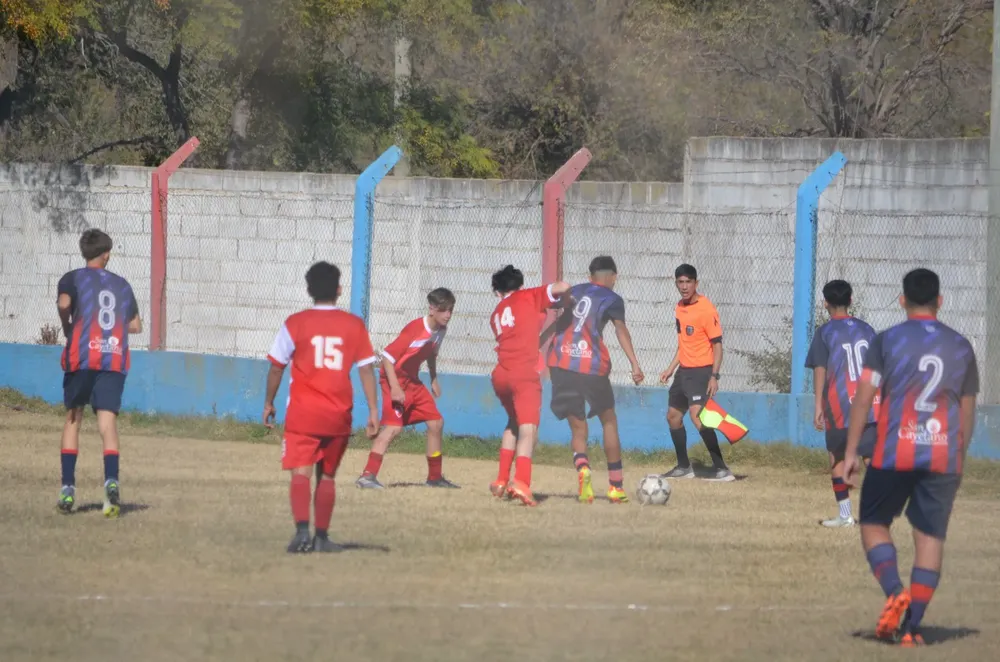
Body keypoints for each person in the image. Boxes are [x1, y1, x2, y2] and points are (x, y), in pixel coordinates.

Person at [844, 268, 978, 646]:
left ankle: (893, 590)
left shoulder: (887, 341)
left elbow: (865, 396)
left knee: (872, 521)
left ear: (902, 300)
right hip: (943, 456)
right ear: (940, 301)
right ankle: (912, 628)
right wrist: (959, 458)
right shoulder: (961, 346)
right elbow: (966, 410)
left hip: (893, 451)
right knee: (930, 536)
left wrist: (852, 451)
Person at [263, 261, 379, 554]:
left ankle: (302, 533)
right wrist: (374, 411)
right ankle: (322, 538)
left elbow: (276, 367)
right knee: (327, 476)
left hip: (303, 413)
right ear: (339, 290)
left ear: (309, 289)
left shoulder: (295, 323)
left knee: (300, 473)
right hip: (338, 414)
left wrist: (268, 402)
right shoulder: (354, 325)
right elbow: (366, 369)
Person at [541, 256, 644, 504]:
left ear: (590, 276)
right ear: (613, 277)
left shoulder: (574, 290)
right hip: (592, 366)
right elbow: (621, 330)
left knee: (578, 427)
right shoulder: (613, 299)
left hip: (561, 363)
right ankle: (615, 487)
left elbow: (557, 324)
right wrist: (634, 363)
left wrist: (537, 346)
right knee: (608, 421)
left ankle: (583, 468)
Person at [56, 229, 142, 518]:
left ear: (84, 253)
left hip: (81, 357)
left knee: (73, 419)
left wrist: (70, 327)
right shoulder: (122, 284)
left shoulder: (72, 278)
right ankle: (111, 484)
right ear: (106, 254)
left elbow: (64, 304)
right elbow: (136, 325)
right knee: (107, 425)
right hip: (112, 358)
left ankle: (68, 490)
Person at [357, 288, 458, 489]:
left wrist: (433, 379)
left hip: (412, 382)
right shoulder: (414, 329)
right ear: (431, 309)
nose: (448, 315)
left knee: (436, 423)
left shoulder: (441, 331)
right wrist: (394, 388)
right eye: (444, 310)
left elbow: (431, 354)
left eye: (451, 310)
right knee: (394, 428)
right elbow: (386, 358)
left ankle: (435, 478)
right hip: (393, 380)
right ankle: (367, 476)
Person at [488, 265, 570, 506]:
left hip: (501, 374)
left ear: (498, 292)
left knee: (513, 423)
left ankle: (502, 480)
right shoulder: (529, 296)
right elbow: (562, 287)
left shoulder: (496, 313)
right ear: (520, 285)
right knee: (529, 429)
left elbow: (521, 321)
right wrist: (565, 301)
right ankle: (521, 482)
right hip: (524, 373)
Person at [804, 279, 879, 527]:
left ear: (825, 303)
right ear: (851, 300)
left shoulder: (825, 333)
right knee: (871, 458)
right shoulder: (867, 329)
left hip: (840, 406)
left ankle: (845, 515)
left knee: (836, 457)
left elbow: (820, 369)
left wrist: (818, 406)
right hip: (870, 403)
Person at [659, 264, 733, 481]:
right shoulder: (679, 308)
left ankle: (721, 468)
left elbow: (718, 345)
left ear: (696, 283)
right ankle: (684, 467)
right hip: (684, 371)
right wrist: (671, 369)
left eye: (688, 282)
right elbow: (684, 343)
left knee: (697, 417)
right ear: (676, 284)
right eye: (680, 282)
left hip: (702, 371)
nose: (684, 287)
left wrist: (714, 376)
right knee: (673, 417)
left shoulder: (707, 309)